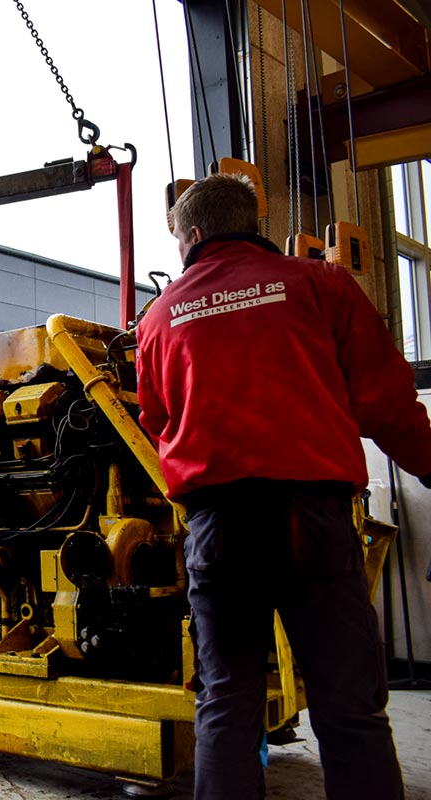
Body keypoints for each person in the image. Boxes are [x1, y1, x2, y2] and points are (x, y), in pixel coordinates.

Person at [135, 172, 431, 800]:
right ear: (253, 224)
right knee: (349, 704)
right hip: (312, 520)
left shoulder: (159, 316)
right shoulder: (321, 284)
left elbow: (157, 422)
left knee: (225, 704)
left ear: (192, 234)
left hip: (218, 529)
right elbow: (385, 400)